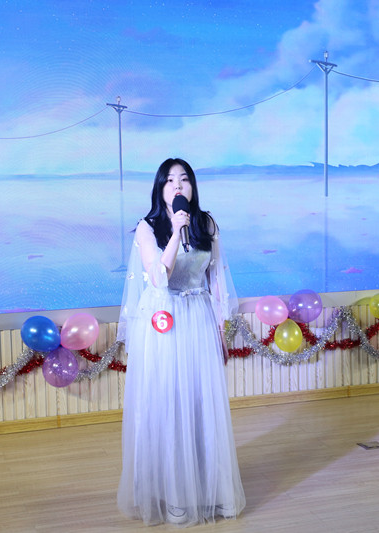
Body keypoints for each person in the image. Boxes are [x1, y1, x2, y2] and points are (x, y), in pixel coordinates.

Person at [117, 158, 246, 526]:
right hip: (164, 323)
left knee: (201, 403)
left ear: (192, 187)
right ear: (160, 189)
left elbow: (216, 280)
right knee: (169, 403)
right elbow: (159, 279)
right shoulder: (147, 228)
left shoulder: (206, 223)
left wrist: (221, 328)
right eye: (170, 180)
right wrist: (175, 232)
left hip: (198, 319)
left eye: (184, 179)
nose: (178, 186)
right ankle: (173, 495)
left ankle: (214, 492)